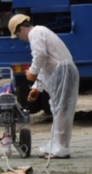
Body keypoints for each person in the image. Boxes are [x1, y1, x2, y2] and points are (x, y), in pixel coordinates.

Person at [9, 14, 79, 159]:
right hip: (64, 71)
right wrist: (36, 88)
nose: (20, 39)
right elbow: (46, 65)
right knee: (59, 109)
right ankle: (57, 146)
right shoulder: (41, 32)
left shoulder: (36, 32)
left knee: (60, 110)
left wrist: (32, 73)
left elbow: (40, 56)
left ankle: (60, 149)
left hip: (62, 72)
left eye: (17, 35)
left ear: (21, 29)